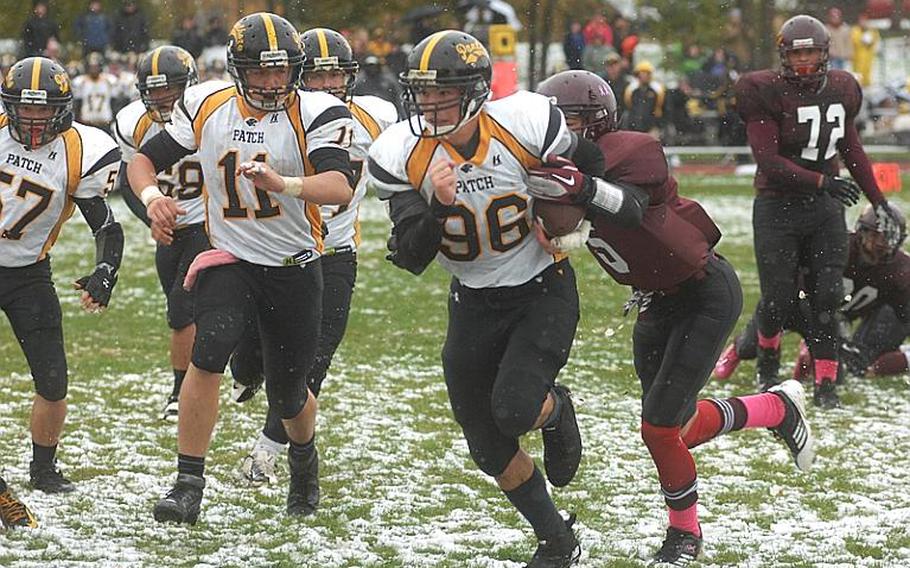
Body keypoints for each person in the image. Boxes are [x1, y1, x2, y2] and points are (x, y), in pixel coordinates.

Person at [535, 69, 815, 567]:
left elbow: (626, 207)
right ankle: (774, 409)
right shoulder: (555, 166)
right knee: (676, 428)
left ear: (598, 122)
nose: (560, 132)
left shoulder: (632, 149)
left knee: (658, 429)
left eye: (571, 120)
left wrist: (581, 187)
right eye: (553, 121)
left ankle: (685, 535)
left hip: (704, 291)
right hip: (655, 299)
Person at [367, 30, 603, 568]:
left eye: (441, 93)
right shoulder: (403, 152)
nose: (428, 104)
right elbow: (409, 255)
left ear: (475, 90)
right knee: (486, 444)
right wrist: (438, 204)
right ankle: (556, 539)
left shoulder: (524, 122)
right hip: (471, 299)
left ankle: (556, 410)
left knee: (514, 409)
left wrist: (574, 224)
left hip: (540, 288)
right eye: (421, 93)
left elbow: (593, 165)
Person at [127, 12, 354, 524]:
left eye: (282, 70)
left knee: (290, 394)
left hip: (294, 264)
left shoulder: (316, 111)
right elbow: (142, 161)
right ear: (237, 69)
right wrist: (151, 198)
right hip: (229, 257)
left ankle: (303, 462)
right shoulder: (207, 104)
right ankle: (188, 483)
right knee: (208, 356)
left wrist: (286, 184)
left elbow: (338, 186)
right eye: (261, 71)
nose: (273, 82)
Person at [230, 27, 397, 485]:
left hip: (336, 251)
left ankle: (267, 452)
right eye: (318, 77)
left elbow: (402, 170)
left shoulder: (376, 116)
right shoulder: (277, 115)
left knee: (310, 364)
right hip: (277, 252)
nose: (327, 87)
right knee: (247, 362)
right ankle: (250, 369)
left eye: (336, 76)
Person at [734, 15, 902, 408]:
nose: (805, 61)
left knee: (827, 298)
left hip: (824, 209)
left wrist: (878, 201)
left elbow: (852, 148)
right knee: (777, 298)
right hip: (777, 206)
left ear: (825, 54)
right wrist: (823, 182)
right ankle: (768, 363)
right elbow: (768, 160)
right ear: (784, 57)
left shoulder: (842, 88)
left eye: (811, 52)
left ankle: (826, 386)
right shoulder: (764, 91)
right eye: (798, 53)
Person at [1, 56, 124, 494]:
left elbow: (107, 226)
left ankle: (43, 469)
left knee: (53, 381)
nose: (32, 118)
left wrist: (104, 272)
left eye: (42, 109)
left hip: (29, 273)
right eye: (24, 107)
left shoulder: (78, 151)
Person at [113, 45, 207, 420]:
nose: (164, 100)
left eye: (172, 91)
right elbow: (127, 180)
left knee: (185, 305)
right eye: (155, 93)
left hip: (209, 222)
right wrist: (152, 215)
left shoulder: (209, 111)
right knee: (178, 311)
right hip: (168, 225)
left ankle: (181, 391)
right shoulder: (133, 122)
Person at [716, 203, 909, 381]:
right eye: (878, 236)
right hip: (794, 303)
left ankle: (808, 360)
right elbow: (799, 280)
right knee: (750, 347)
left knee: (838, 374)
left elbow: (904, 314)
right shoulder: (838, 247)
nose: (884, 244)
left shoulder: (899, 270)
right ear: (862, 231)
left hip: (833, 317)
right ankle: (736, 349)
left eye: (890, 239)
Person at [72, 52, 117, 132]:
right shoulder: (81, 82)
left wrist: (114, 119)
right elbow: (77, 105)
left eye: (96, 66)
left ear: (100, 67)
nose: (94, 69)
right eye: (91, 67)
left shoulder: (109, 81)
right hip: (87, 122)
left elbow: (114, 104)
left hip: (104, 122)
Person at [623, 61, 664, 136]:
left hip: (651, 127)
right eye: (642, 74)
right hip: (634, 126)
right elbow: (629, 106)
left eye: (647, 74)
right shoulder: (631, 90)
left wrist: (657, 126)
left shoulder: (657, 91)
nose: (644, 76)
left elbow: (659, 109)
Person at [851, 13, 880, 87]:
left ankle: (867, 85)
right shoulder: (855, 29)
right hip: (858, 55)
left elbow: (875, 38)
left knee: (868, 71)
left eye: (865, 21)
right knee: (858, 72)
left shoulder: (871, 30)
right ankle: (858, 86)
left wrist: (871, 42)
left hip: (868, 55)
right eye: (862, 21)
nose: (863, 23)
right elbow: (855, 40)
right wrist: (862, 41)